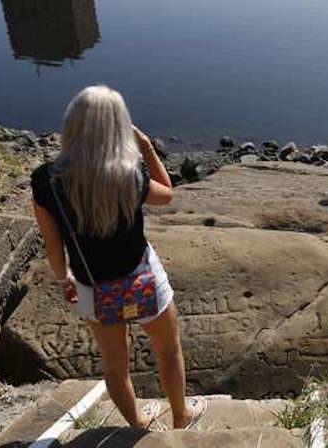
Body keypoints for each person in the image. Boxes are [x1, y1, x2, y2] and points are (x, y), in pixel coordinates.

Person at [30, 85, 206, 430]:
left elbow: (53, 246)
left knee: (114, 367)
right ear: (117, 128)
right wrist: (147, 148)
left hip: (94, 288)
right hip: (141, 278)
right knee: (168, 351)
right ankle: (181, 416)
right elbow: (167, 194)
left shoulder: (45, 181)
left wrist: (63, 277)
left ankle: (138, 425)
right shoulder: (129, 174)